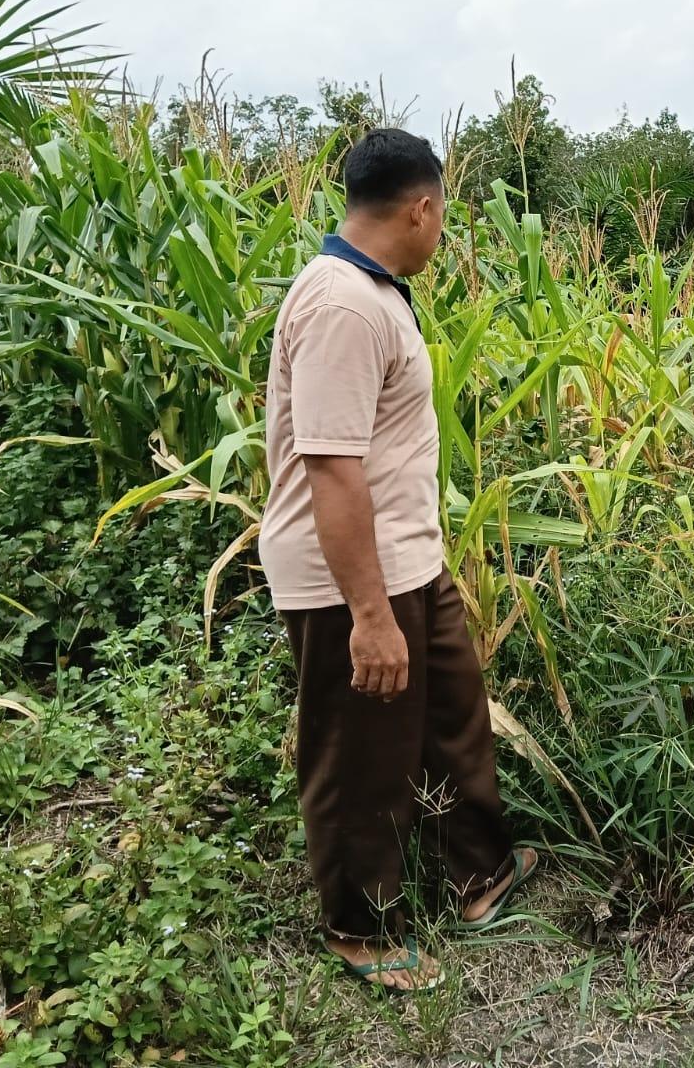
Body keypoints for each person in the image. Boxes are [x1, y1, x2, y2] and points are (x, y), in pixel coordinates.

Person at [258, 128, 536, 989]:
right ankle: (361, 928)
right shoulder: (344, 303)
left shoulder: (371, 291)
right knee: (359, 752)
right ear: (421, 208)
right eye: (442, 214)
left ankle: (480, 874)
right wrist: (370, 617)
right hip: (351, 579)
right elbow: (331, 469)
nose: (442, 229)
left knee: (452, 715)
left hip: (407, 557)